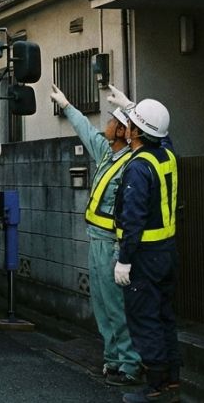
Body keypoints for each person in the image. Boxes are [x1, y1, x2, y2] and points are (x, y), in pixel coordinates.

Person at [49, 84, 142, 386]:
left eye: (113, 121)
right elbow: (85, 130)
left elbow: (160, 141)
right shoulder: (106, 153)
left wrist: (131, 109)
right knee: (102, 304)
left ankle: (130, 365)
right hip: (96, 240)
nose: (107, 124)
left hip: (113, 244)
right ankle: (112, 359)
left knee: (117, 306)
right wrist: (66, 105)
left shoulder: (133, 162)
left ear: (123, 131)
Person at [113, 99, 181, 403]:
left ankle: (154, 387)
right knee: (165, 316)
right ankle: (171, 381)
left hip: (143, 255)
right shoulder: (167, 155)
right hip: (167, 252)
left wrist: (124, 260)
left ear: (135, 131)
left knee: (145, 318)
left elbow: (133, 218)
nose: (125, 129)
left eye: (130, 124)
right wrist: (131, 106)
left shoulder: (139, 167)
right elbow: (162, 135)